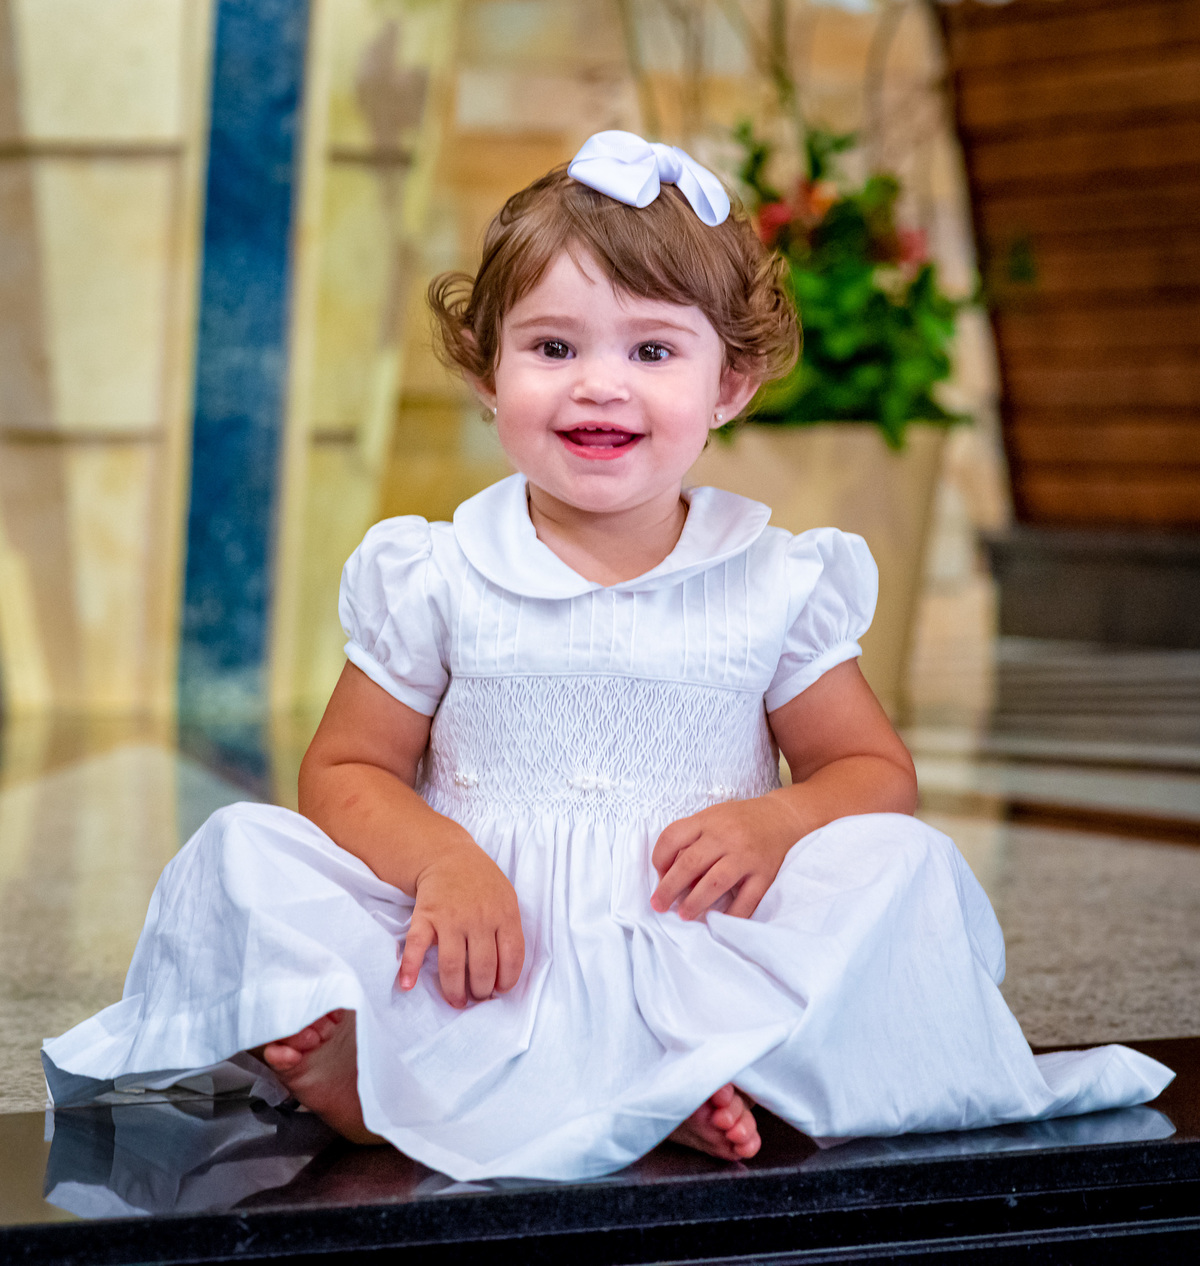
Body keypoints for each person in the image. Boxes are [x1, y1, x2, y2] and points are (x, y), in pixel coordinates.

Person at [43, 132, 1172, 1182]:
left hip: (691, 944)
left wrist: (777, 822)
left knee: (899, 867)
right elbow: (344, 769)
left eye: (652, 349)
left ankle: (673, 1067)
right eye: (552, 347)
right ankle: (383, 1077)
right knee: (245, 852)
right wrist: (440, 863)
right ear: (487, 372)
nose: (599, 382)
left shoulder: (771, 582)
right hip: (482, 952)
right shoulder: (437, 573)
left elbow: (873, 773)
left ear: (729, 386)